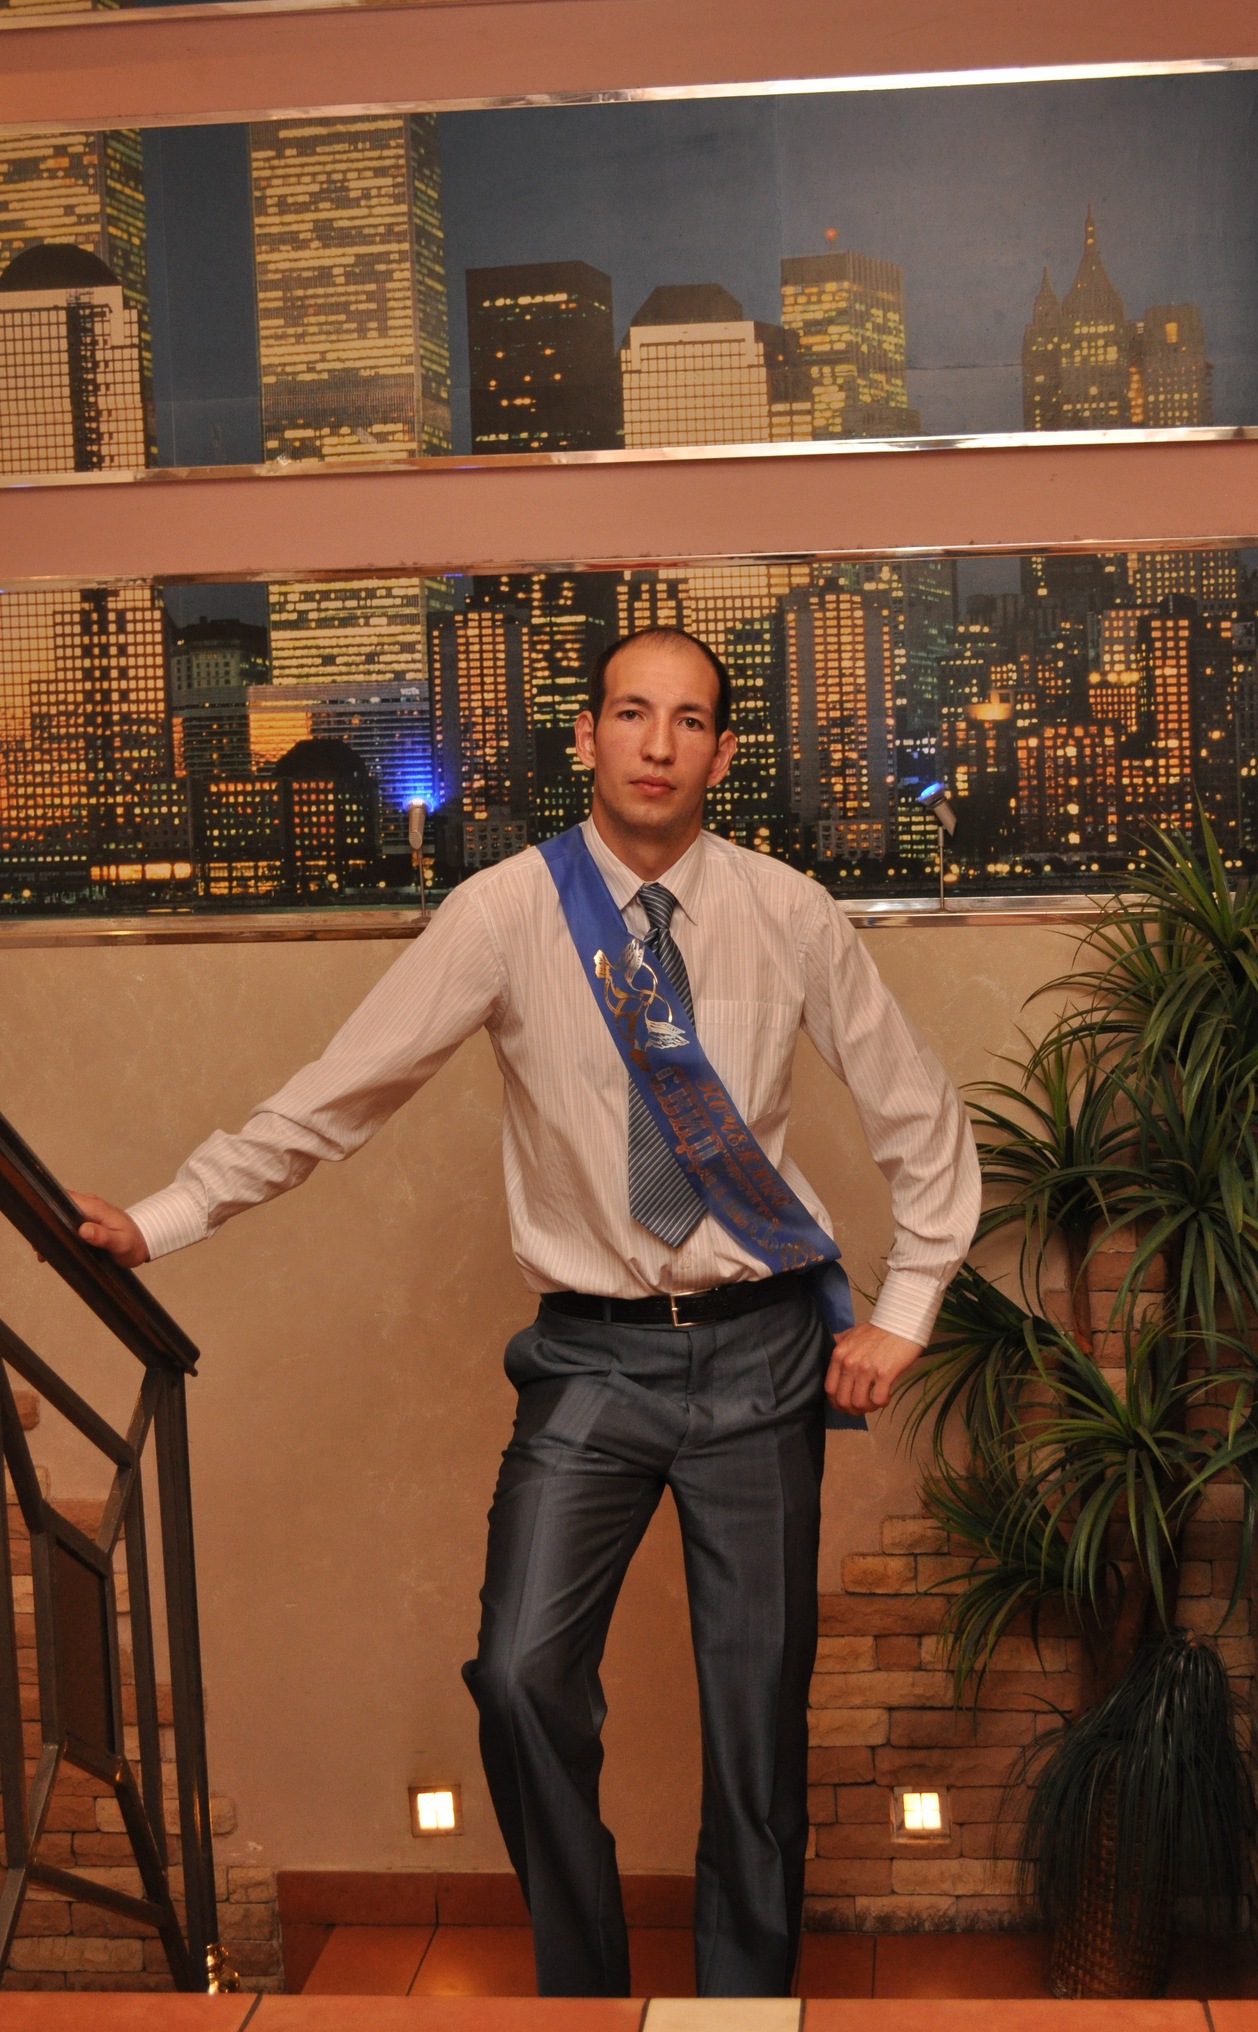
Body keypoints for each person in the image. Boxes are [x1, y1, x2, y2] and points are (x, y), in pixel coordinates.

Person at [73, 626, 979, 2000]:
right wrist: (167, 1217)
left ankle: (740, 2021)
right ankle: (589, 1998)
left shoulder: (788, 911)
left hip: (762, 1357)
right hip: (590, 1361)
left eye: (688, 720)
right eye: (632, 713)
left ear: (722, 751)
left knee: (755, 1733)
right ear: (589, 736)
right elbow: (340, 1095)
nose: (658, 743)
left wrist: (904, 1313)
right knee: (516, 1676)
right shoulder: (504, 911)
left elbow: (917, 1110)